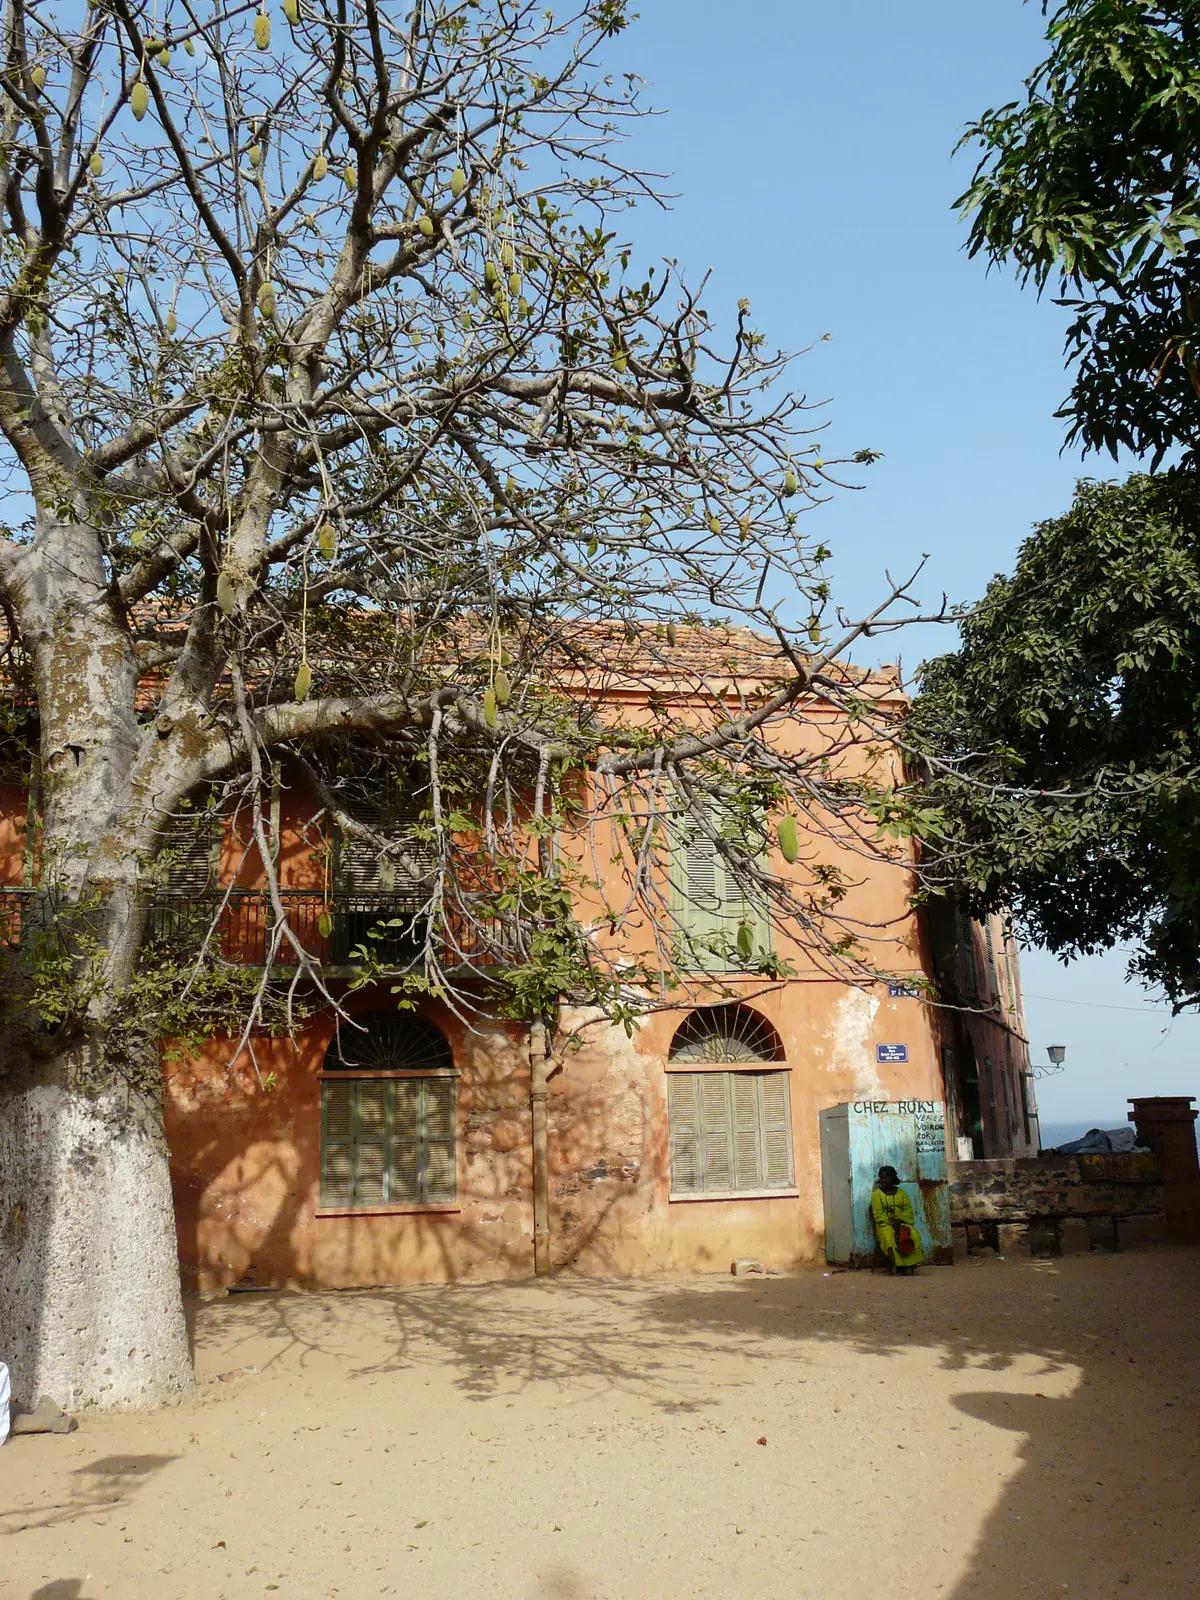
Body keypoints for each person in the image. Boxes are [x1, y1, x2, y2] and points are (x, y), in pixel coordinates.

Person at [870, 1165, 925, 1273]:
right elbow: (878, 1213)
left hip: (902, 1223)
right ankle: (900, 1265)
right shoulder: (876, 1195)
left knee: (915, 1236)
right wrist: (891, 1223)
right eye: (881, 1178)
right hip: (885, 1225)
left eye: (885, 1178)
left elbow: (908, 1210)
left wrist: (899, 1221)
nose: (883, 1180)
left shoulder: (901, 1193)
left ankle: (910, 1264)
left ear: (892, 1178)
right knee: (889, 1239)